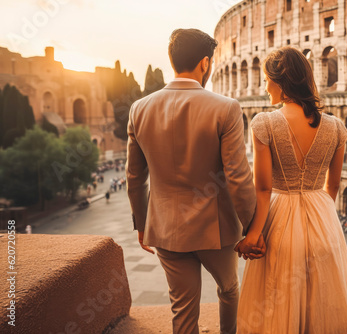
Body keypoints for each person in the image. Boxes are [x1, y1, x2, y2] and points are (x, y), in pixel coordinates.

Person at [126, 28, 260, 334]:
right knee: (228, 290)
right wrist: (252, 227)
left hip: (166, 228)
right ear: (205, 63)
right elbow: (238, 176)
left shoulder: (139, 109)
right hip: (215, 229)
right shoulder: (226, 108)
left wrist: (141, 224)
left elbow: (134, 177)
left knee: (183, 309)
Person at [235, 46, 347, 333]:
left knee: (277, 300)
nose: (264, 87)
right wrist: (319, 215)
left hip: (280, 217)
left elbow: (264, 188)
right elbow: (334, 184)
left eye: (267, 79)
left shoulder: (264, 123)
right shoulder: (337, 128)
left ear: (281, 82)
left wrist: (253, 235)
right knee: (322, 300)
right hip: (323, 216)